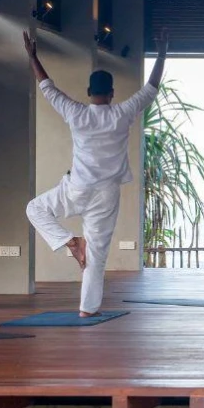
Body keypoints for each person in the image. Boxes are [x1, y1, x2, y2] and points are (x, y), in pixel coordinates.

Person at [24, 30, 168, 317]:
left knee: (34, 208)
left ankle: (69, 242)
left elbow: (47, 86)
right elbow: (151, 87)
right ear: (112, 93)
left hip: (76, 188)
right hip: (106, 195)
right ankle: (87, 310)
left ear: (89, 93)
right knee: (97, 256)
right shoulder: (122, 113)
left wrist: (33, 57)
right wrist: (162, 53)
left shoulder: (76, 112)